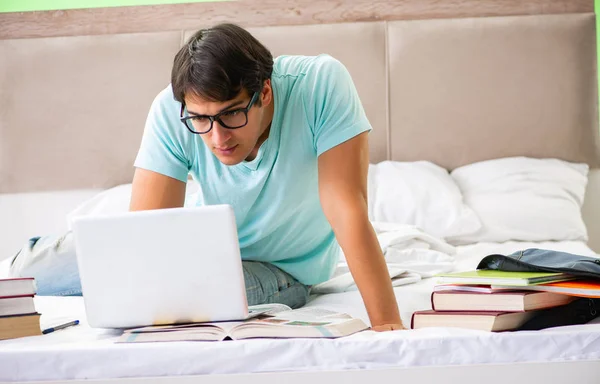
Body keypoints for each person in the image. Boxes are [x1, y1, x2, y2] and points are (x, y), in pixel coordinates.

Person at [7, 23, 403, 331]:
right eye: (200, 119)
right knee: (27, 271)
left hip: (281, 266)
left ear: (264, 92)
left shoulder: (320, 85)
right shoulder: (170, 109)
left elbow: (346, 207)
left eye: (232, 114)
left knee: (185, 297)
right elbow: (144, 232)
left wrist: (387, 326)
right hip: (193, 248)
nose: (217, 137)